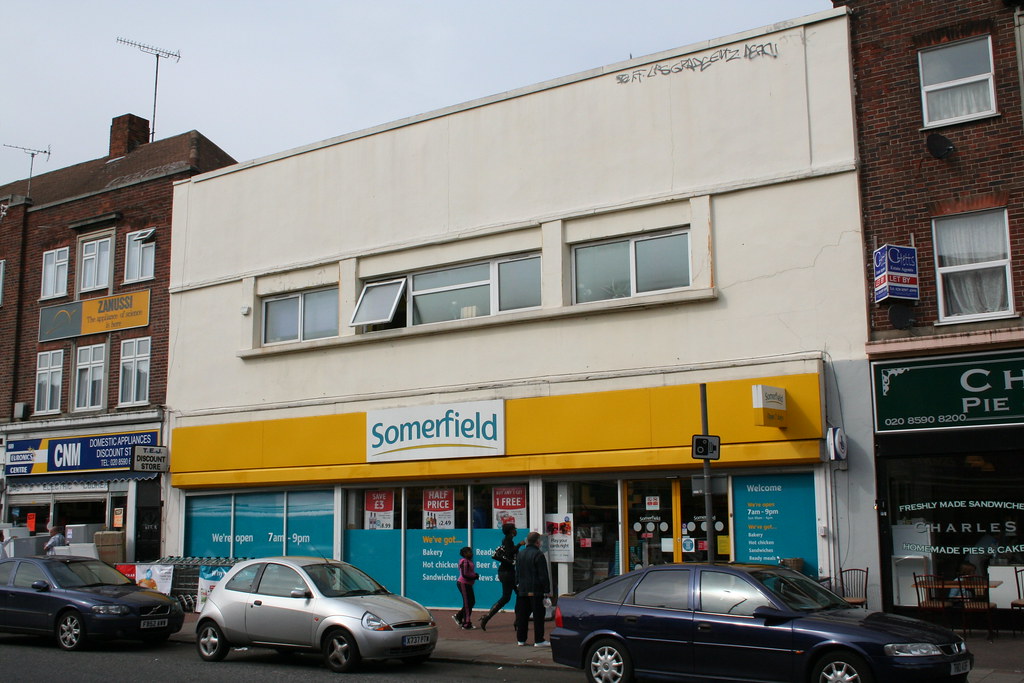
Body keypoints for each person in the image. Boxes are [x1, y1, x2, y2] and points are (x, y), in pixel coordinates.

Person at [480, 523, 524, 630]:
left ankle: (517, 620)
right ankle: (517, 621)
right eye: (514, 529)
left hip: (505, 572)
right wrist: (519, 544)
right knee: (513, 596)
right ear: (511, 531)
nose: (516, 530)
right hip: (508, 573)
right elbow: (509, 553)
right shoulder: (508, 540)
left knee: (511, 596)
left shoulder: (507, 540)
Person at [514, 530, 551, 647]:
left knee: (523, 615)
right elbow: (543, 574)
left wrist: (517, 585)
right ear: (537, 542)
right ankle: (539, 640)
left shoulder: (520, 554)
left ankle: (521, 639)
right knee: (538, 615)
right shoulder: (538, 555)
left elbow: (517, 572)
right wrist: (547, 590)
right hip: (536, 590)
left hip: (523, 589)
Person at [453, 546, 479, 629]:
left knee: (471, 602)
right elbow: (465, 574)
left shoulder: (469, 561)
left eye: (471, 551)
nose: (471, 553)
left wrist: (474, 575)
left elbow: (469, 572)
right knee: (467, 603)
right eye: (469, 552)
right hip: (463, 583)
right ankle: (466, 623)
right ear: (464, 554)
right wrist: (474, 576)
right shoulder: (464, 562)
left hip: (468, 584)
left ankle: (459, 616)